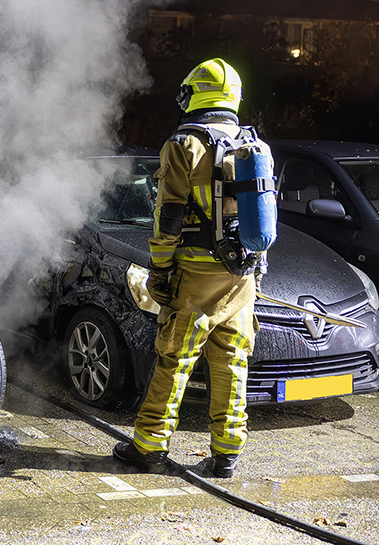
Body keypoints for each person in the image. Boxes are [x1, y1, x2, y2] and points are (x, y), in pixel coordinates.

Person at [112, 58, 269, 479]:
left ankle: (148, 445)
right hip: (242, 275)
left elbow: (169, 217)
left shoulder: (184, 144)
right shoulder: (253, 145)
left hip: (194, 276)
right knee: (232, 362)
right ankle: (227, 454)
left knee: (174, 361)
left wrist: (159, 270)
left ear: (196, 93)